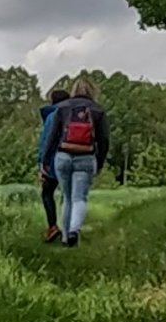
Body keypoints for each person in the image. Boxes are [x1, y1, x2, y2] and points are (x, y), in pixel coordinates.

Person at [43, 78, 111, 247]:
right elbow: (104, 140)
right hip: (86, 157)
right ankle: (74, 230)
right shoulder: (98, 110)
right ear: (92, 91)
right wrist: (100, 162)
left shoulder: (63, 108)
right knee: (79, 197)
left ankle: (66, 238)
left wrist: (45, 160)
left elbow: (52, 137)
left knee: (67, 198)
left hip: (63, 156)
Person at [35, 87, 72, 242]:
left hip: (53, 162)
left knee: (47, 193)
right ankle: (70, 230)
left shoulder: (51, 116)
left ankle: (52, 227)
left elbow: (45, 141)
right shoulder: (76, 115)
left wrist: (41, 163)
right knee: (68, 196)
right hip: (73, 159)